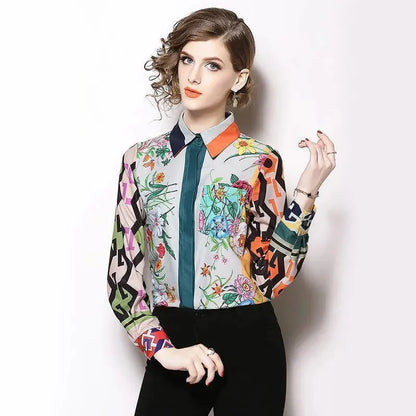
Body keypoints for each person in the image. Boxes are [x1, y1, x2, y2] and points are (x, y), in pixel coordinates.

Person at [106, 7, 336, 416]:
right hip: (172, 333)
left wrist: (306, 193)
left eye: (212, 65)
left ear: (239, 78)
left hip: (250, 339)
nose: (193, 76)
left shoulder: (260, 161)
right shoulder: (140, 161)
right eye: (187, 60)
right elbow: (122, 275)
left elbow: (271, 277)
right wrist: (162, 349)